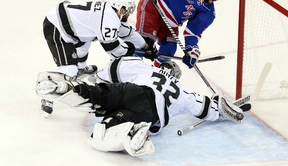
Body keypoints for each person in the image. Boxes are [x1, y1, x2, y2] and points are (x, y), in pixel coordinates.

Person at [35, 57, 251, 156]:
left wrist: (101, 78)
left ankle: (66, 88)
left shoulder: (147, 68)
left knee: (99, 97)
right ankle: (133, 132)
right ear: (176, 75)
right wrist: (221, 110)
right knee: (106, 129)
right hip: (151, 110)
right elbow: (206, 108)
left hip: (130, 90)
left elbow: (116, 65)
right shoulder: (184, 93)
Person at [41, 0, 156, 115]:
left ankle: (80, 69)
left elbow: (127, 32)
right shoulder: (109, 20)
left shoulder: (111, 12)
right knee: (69, 70)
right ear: (121, 9)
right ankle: (47, 93)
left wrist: (145, 46)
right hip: (58, 27)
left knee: (80, 60)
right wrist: (130, 50)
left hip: (77, 31)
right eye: (128, 9)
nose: (129, 13)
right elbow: (114, 51)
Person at [136, 0, 228, 68]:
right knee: (143, 44)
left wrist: (192, 49)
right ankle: (126, 71)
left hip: (170, 24)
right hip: (153, 6)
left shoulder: (208, 12)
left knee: (169, 49)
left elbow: (192, 32)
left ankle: (155, 73)